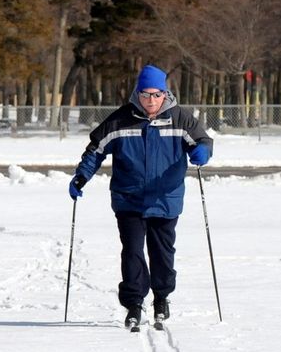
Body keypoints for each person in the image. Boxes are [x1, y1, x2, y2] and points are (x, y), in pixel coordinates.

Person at [68, 65, 213, 330]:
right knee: (133, 252)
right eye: (145, 95)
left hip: (165, 199)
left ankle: (161, 297)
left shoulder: (180, 119)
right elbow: (95, 150)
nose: (150, 100)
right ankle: (134, 303)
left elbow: (202, 140)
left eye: (156, 95)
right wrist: (81, 176)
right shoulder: (120, 120)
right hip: (129, 198)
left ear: (165, 94)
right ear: (137, 94)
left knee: (162, 253)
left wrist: (202, 151)